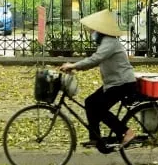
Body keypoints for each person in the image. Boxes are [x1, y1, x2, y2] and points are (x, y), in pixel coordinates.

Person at [59, 9, 137, 148]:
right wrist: (77, 67)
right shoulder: (105, 42)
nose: (91, 33)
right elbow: (95, 61)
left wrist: (74, 66)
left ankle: (127, 132)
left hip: (122, 84)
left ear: (100, 30)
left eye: (92, 30)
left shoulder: (109, 42)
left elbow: (95, 59)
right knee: (90, 102)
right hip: (114, 83)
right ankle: (95, 138)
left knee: (99, 109)